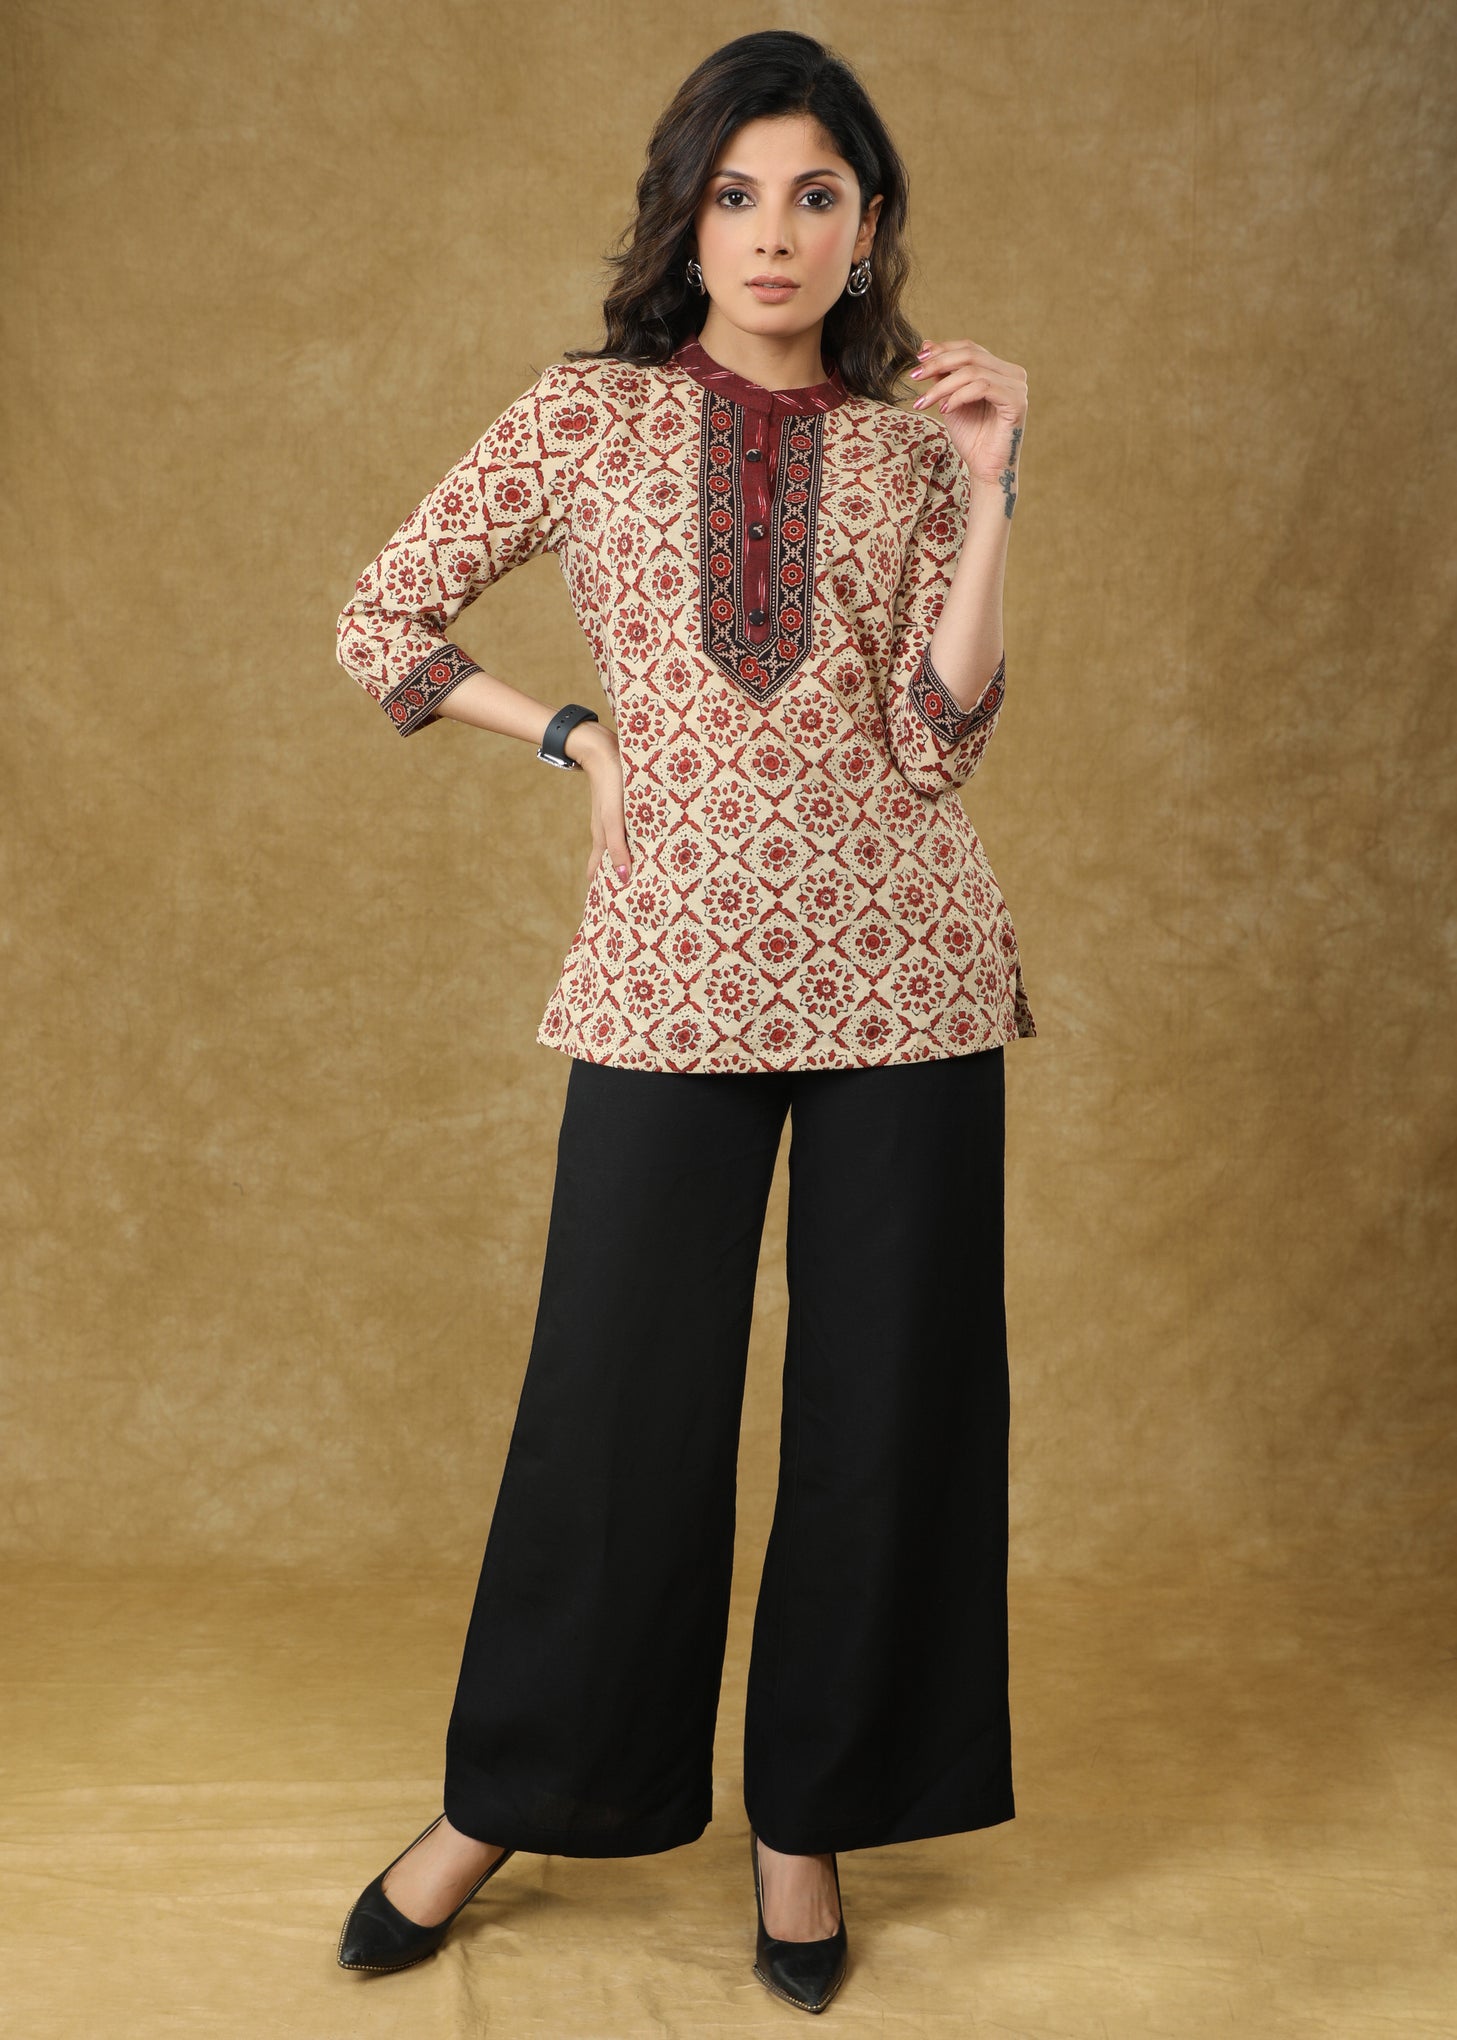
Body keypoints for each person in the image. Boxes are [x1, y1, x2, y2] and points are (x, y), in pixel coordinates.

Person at [331, 28, 1034, 2016]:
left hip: (905, 969)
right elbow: (383, 620)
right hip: (668, 970)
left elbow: (940, 739)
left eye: (816, 195)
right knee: (617, 1408)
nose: (774, 234)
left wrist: (993, 489)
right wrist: (573, 735)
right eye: (737, 195)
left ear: (868, 226)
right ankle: (505, 1800)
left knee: (884, 1417)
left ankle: (807, 1824)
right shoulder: (586, 415)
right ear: (687, 216)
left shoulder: (908, 446)